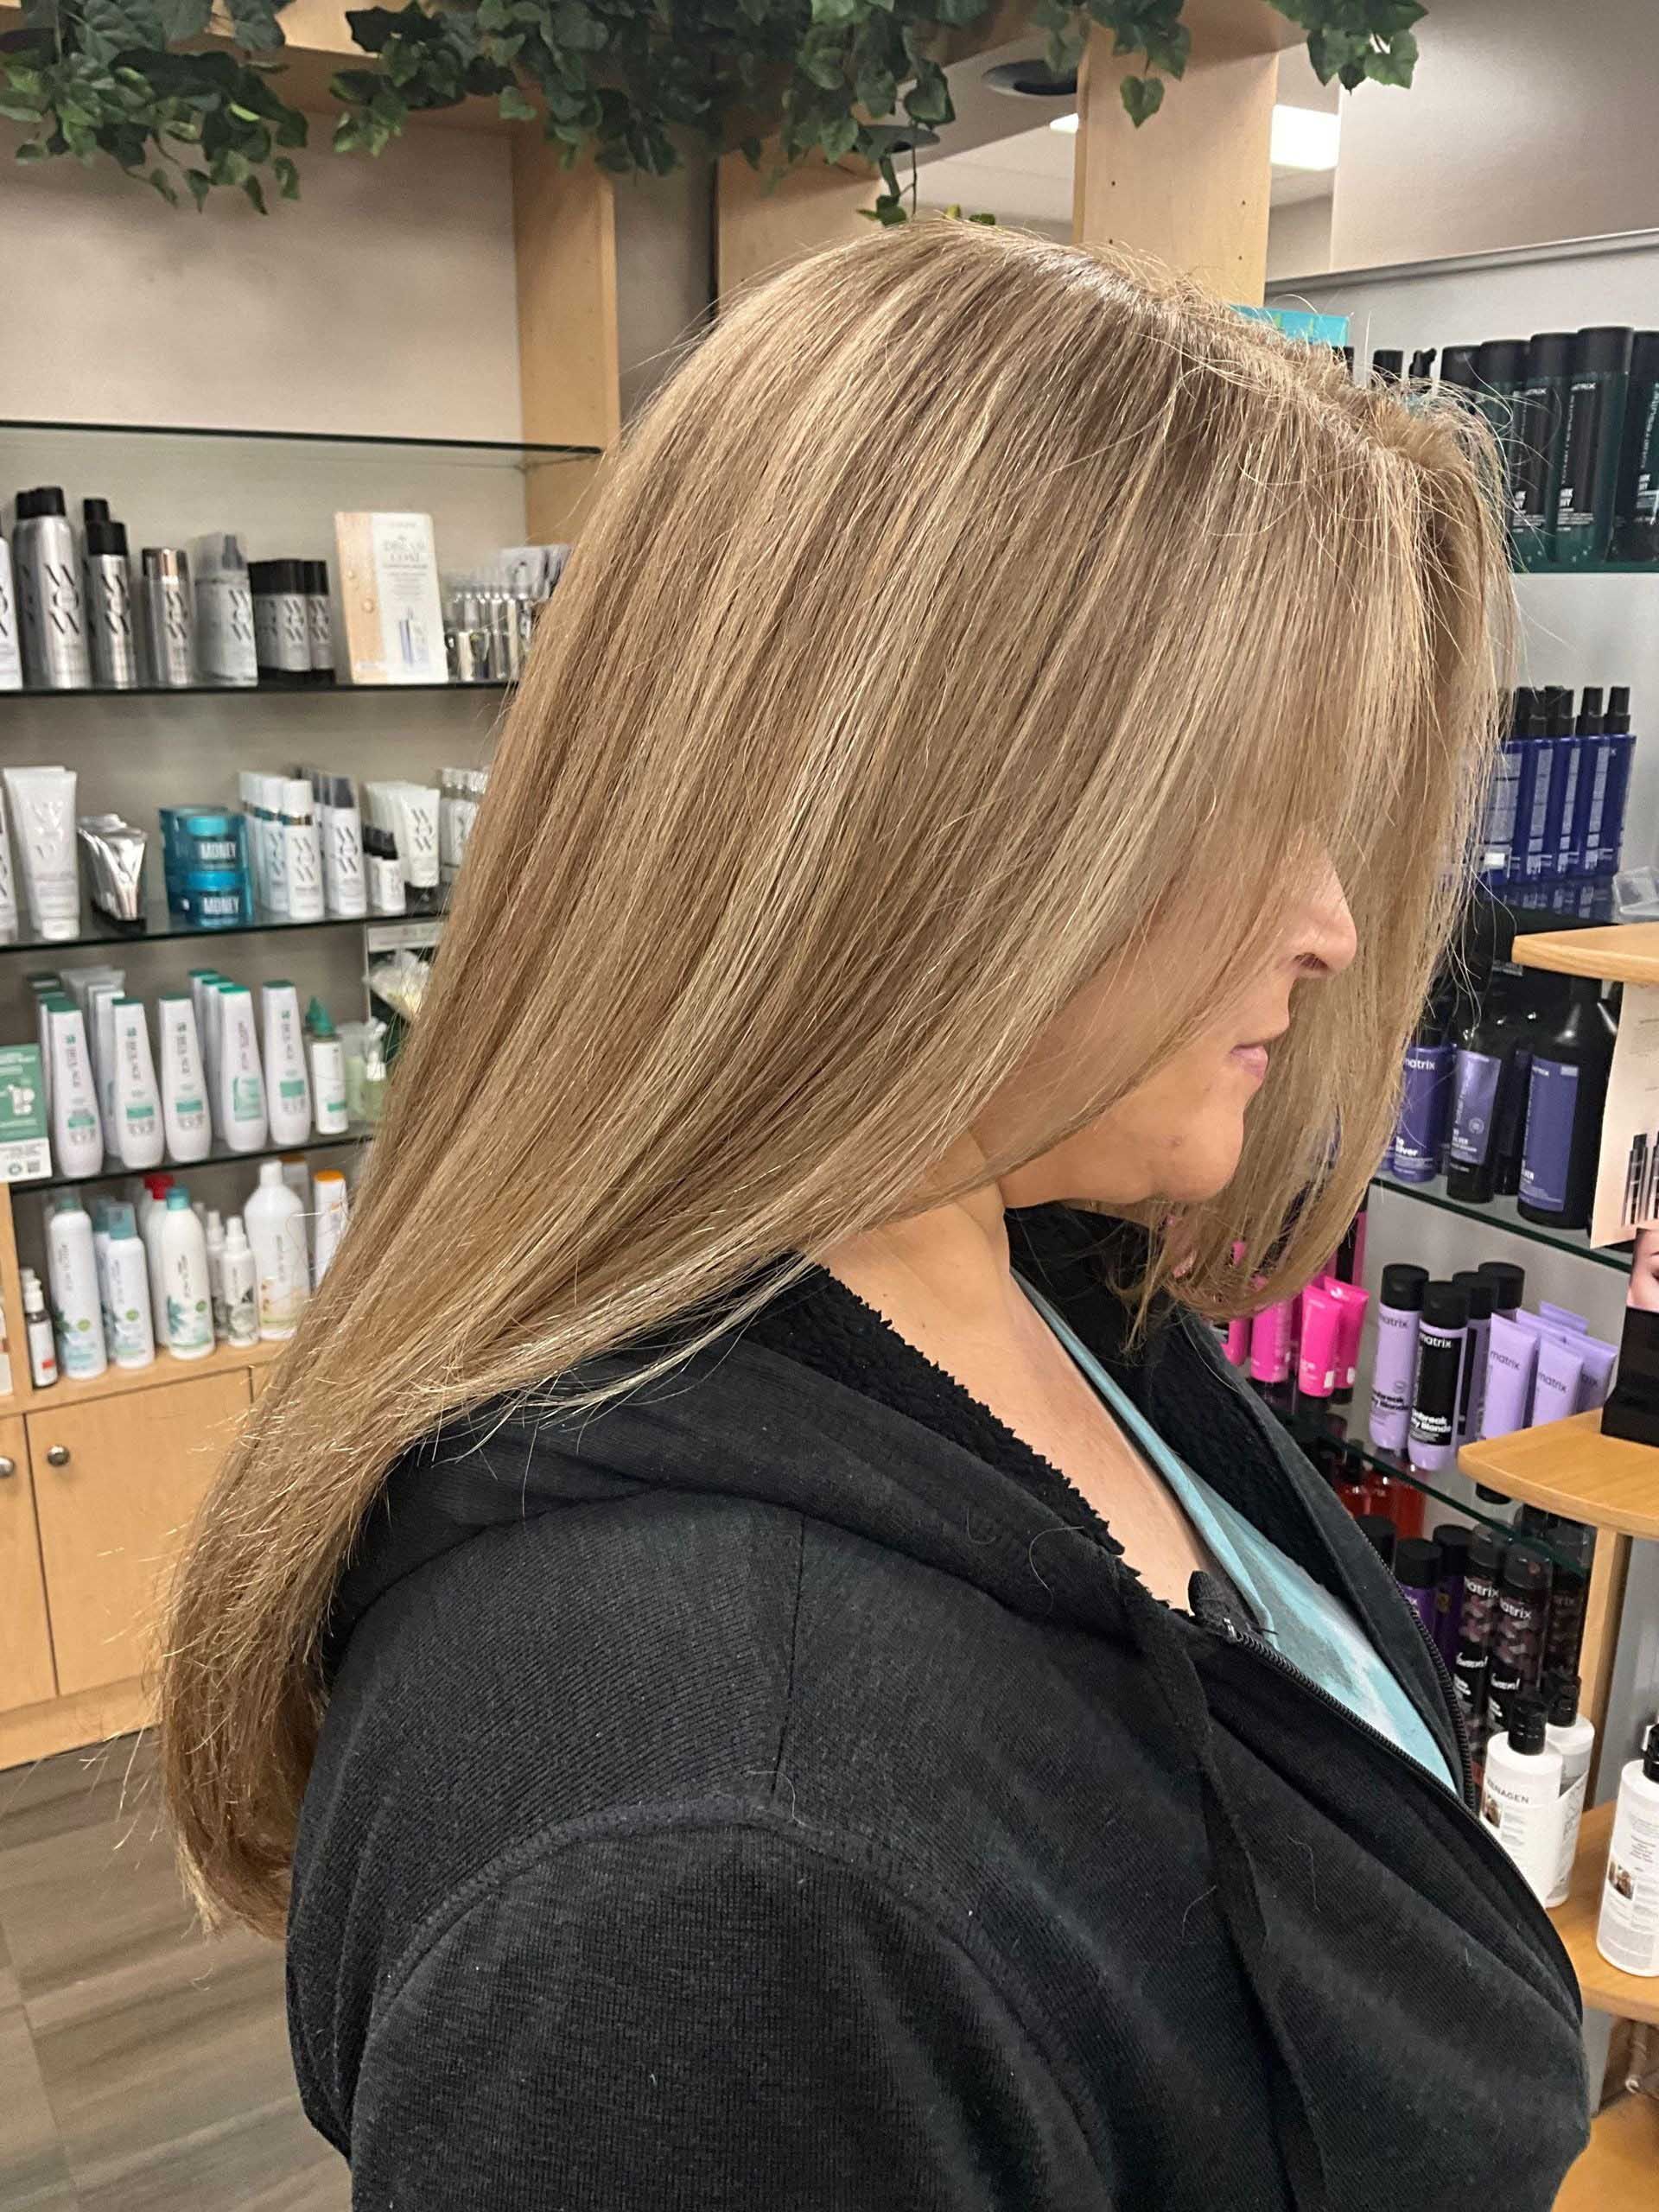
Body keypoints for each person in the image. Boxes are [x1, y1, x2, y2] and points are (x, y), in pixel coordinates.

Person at [161, 226, 1588, 2209]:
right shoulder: (705, 1878)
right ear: (941, 823)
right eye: (1253, 801)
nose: (1336, 923)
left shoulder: (1034, 1276)